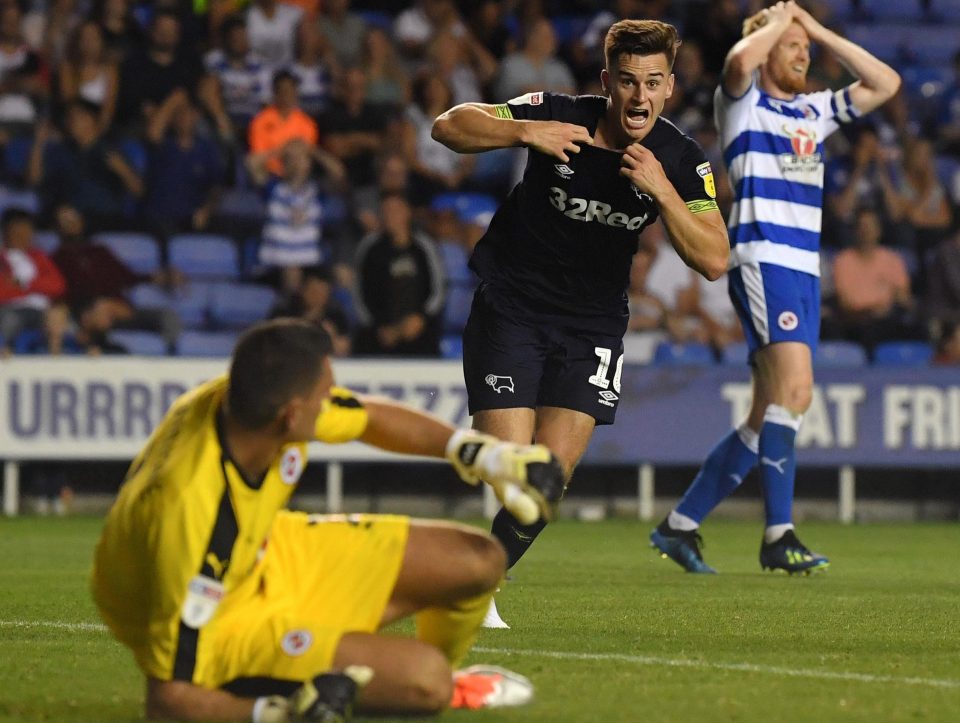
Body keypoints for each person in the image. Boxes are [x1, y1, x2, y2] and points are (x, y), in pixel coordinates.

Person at [91, 318, 564, 721]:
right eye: (324, 394)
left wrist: (484, 455)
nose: (332, 401)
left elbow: (369, 417)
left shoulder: (245, 401)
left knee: (480, 559)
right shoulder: (189, 515)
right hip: (226, 622)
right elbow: (165, 698)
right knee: (427, 683)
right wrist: (273, 712)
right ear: (292, 415)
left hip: (269, 550)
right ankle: (386, 680)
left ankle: (367, 665)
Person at [432, 19, 729, 626]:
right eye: (627, 81)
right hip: (512, 307)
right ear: (607, 82)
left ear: (670, 87)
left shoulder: (680, 159)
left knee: (546, 485)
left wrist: (663, 193)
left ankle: (475, 583)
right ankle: (469, 585)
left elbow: (715, 258)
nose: (639, 97)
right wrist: (524, 132)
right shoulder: (559, 112)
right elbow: (448, 125)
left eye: (652, 82)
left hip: (591, 327)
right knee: (515, 476)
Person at [650, 1, 900, 575]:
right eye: (791, 47)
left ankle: (679, 526)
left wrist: (812, 27)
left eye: (805, 49)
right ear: (766, 50)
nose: (803, 54)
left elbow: (886, 83)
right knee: (797, 391)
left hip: (802, 271)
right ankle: (778, 535)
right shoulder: (742, 105)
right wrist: (770, 28)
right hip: (764, 261)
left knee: (767, 413)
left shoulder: (814, 111)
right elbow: (738, 61)